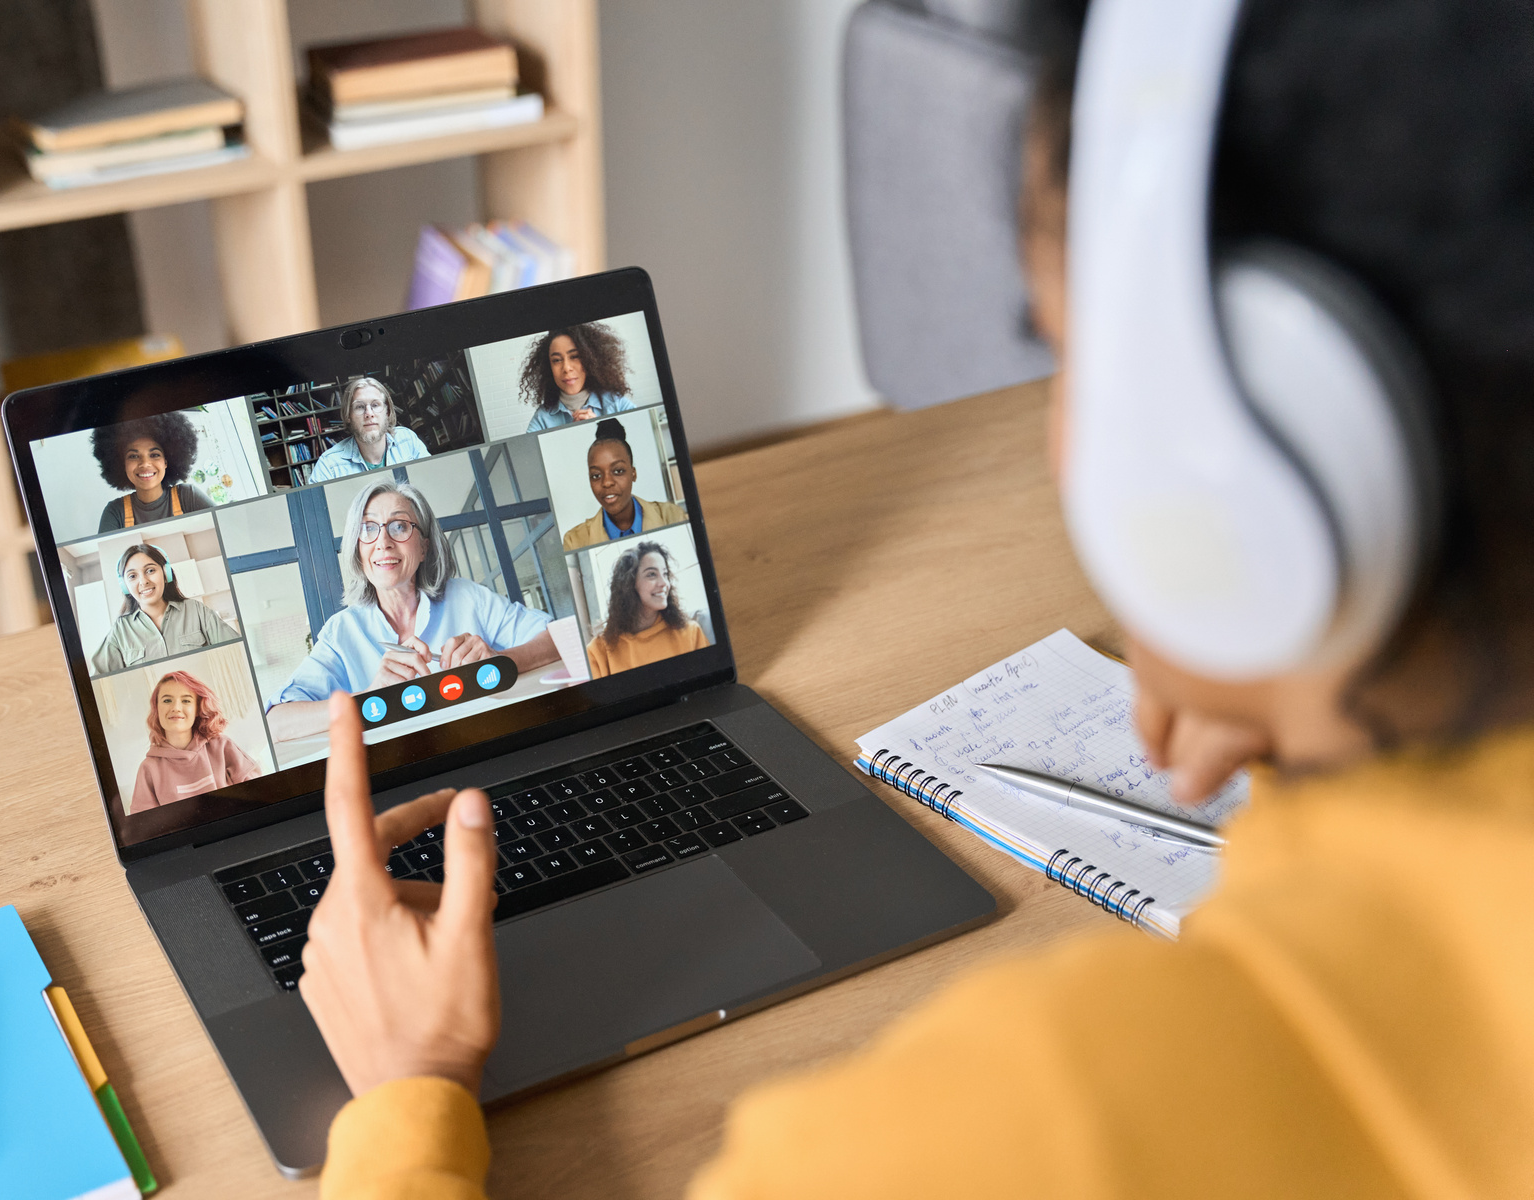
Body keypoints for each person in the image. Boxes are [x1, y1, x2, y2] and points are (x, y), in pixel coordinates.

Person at [293, 0, 1534, 1195]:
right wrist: (1296, 718)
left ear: (1223, 469)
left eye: (1070, 356)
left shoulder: (978, 1144)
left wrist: (411, 1094)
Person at [264, 481, 561, 742]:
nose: (383, 542)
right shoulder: (342, 631)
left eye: (400, 526)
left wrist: (498, 663)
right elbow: (277, 723)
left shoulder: (467, 597)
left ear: (423, 548)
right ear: (358, 550)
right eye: (368, 529)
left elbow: (559, 637)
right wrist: (369, 699)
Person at [89, 544, 239, 674]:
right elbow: (98, 682)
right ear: (125, 586)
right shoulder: (120, 630)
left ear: (166, 573)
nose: (143, 581)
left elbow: (236, 652)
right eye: (132, 576)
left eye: (150, 571)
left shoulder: (196, 610)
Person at [127, 669, 261, 812]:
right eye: (167, 700)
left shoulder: (222, 746)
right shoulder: (148, 768)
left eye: (186, 700)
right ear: (156, 709)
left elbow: (258, 793)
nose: (176, 708)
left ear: (197, 708)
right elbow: (146, 827)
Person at [559, 418, 689, 551]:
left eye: (618, 471)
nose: (607, 482)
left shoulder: (672, 517)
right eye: (596, 475)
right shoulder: (575, 541)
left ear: (633, 474)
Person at [584, 542, 709, 677]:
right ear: (629, 584)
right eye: (651, 574)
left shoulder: (690, 633)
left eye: (665, 574)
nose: (664, 583)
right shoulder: (598, 652)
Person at [92, 411, 214, 533]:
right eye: (133, 456)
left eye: (154, 455)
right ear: (122, 465)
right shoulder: (115, 512)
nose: (145, 464)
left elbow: (228, 526)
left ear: (166, 462)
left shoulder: (188, 496)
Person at [307, 377, 431, 483]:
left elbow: (433, 482)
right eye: (360, 407)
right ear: (348, 416)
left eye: (375, 405)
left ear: (387, 411)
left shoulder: (408, 440)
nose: (369, 414)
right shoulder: (329, 464)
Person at [519, 323, 636, 431]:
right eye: (557, 360)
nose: (566, 368)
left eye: (574, 356)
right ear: (548, 368)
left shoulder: (616, 403)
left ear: (590, 360)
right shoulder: (542, 419)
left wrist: (601, 426)